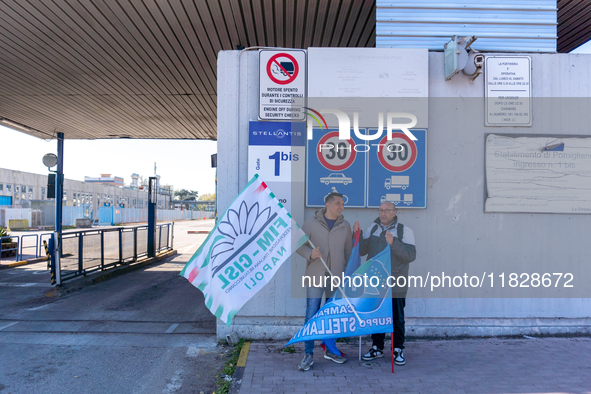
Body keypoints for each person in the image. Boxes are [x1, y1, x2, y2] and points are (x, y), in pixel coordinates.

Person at [353, 201, 416, 366]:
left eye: (387, 210)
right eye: (381, 210)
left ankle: (397, 349)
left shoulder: (404, 231)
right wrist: (357, 236)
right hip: (375, 282)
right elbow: (362, 251)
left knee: (397, 317)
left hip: (396, 282)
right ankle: (377, 347)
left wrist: (394, 243)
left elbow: (410, 255)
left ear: (394, 212)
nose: (383, 213)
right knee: (376, 316)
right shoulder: (373, 228)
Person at [296, 192, 353, 371]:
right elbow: (298, 244)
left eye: (342, 204)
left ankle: (329, 349)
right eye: (338, 203)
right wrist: (310, 254)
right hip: (315, 276)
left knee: (332, 316)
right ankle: (308, 354)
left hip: (336, 277)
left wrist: (347, 274)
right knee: (311, 315)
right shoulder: (311, 222)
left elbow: (348, 252)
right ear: (328, 205)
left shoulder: (345, 226)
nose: (341, 207)